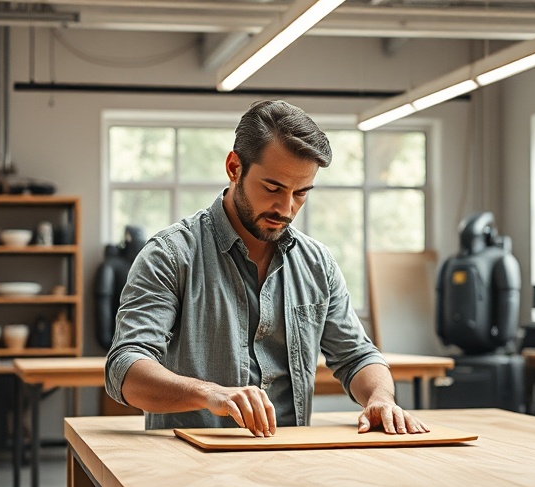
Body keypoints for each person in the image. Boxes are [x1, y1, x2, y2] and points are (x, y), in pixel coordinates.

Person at [105, 100, 429, 438]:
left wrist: (380, 398)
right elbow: (125, 369)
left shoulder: (317, 265)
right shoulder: (170, 256)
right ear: (234, 167)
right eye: (273, 188)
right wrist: (210, 394)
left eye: (301, 193)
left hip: (289, 463)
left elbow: (358, 356)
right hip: (192, 466)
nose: (286, 208)